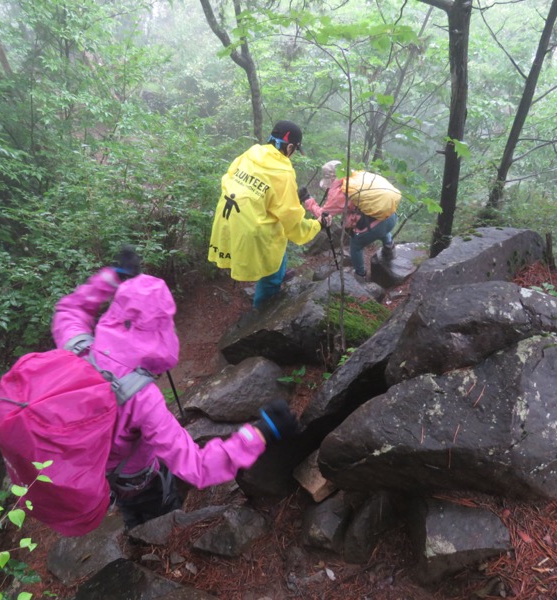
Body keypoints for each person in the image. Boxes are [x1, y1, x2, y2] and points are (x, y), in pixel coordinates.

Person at [51, 247, 298, 528]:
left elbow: (69, 309)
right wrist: (263, 431)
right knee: (159, 512)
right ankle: (158, 535)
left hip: (96, 471)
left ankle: (136, 531)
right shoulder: (142, 399)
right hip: (140, 481)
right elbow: (198, 467)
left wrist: (112, 277)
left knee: (131, 510)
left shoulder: (77, 351)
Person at [208, 120, 331, 308]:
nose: (293, 154)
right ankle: (261, 316)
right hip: (253, 230)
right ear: (289, 147)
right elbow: (293, 223)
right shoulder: (283, 172)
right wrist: (318, 224)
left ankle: (279, 272)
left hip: (227, 219)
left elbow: (228, 179)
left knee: (278, 248)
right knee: (272, 267)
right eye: (295, 150)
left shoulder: (250, 154)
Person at [299, 160, 397, 280]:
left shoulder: (340, 192)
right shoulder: (357, 177)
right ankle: (389, 247)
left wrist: (307, 199)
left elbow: (324, 215)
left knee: (356, 245)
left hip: (377, 226)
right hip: (391, 216)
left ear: (330, 179)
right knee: (378, 217)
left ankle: (360, 274)